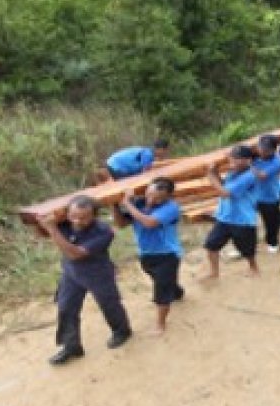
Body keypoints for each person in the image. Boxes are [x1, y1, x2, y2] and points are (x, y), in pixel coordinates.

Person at [38, 196, 132, 365]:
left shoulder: (103, 231)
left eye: (84, 217)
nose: (78, 221)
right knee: (66, 307)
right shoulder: (63, 223)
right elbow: (42, 233)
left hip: (98, 273)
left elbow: (75, 254)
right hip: (71, 274)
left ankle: (122, 331)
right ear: (67, 213)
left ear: (94, 216)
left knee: (109, 304)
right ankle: (71, 346)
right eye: (73, 216)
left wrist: (52, 229)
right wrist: (41, 223)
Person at [113, 178, 184, 336]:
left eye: (158, 198)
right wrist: (115, 205)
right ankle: (176, 292)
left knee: (161, 291)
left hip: (167, 255)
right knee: (164, 283)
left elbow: (149, 223)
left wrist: (128, 204)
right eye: (149, 195)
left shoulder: (171, 207)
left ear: (168, 197)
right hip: (146, 254)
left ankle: (161, 325)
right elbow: (122, 224)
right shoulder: (139, 203)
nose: (152, 200)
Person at [204, 145, 260, 278]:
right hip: (224, 217)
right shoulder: (233, 172)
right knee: (211, 245)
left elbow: (225, 193)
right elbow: (223, 185)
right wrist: (216, 172)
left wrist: (210, 175)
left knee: (247, 249)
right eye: (232, 158)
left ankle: (254, 268)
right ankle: (214, 272)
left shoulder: (249, 176)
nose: (232, 161)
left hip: (242, 220)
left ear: (248, 160)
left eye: (237, 159)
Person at [252, 135, 280, 253]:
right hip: (253, 196)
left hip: (270, 197)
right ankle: (248, 243)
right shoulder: (254, 157)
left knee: (270, 222)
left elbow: (262, 175)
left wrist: (248, 164)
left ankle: (272, 242)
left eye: (266, 150)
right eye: (261, 148)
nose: (262, 151)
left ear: (274, 150)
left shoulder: (277, 161)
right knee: (248, 220)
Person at [102, 139, 169, 181]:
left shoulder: (146, 152)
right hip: (116, 166)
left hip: (113, 164)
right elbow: (145, 174)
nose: (166, 153)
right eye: (165, 150)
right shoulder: (148, 154)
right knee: (126, 185)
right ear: (160, 149)